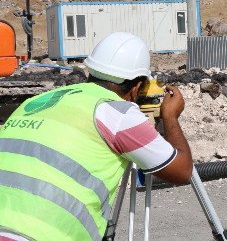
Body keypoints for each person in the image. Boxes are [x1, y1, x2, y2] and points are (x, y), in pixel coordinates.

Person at [0, 32, 193, 241]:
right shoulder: (116, 113)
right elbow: (182, 172)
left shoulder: (33, 103)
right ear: (137, 87)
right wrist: (170, 116)